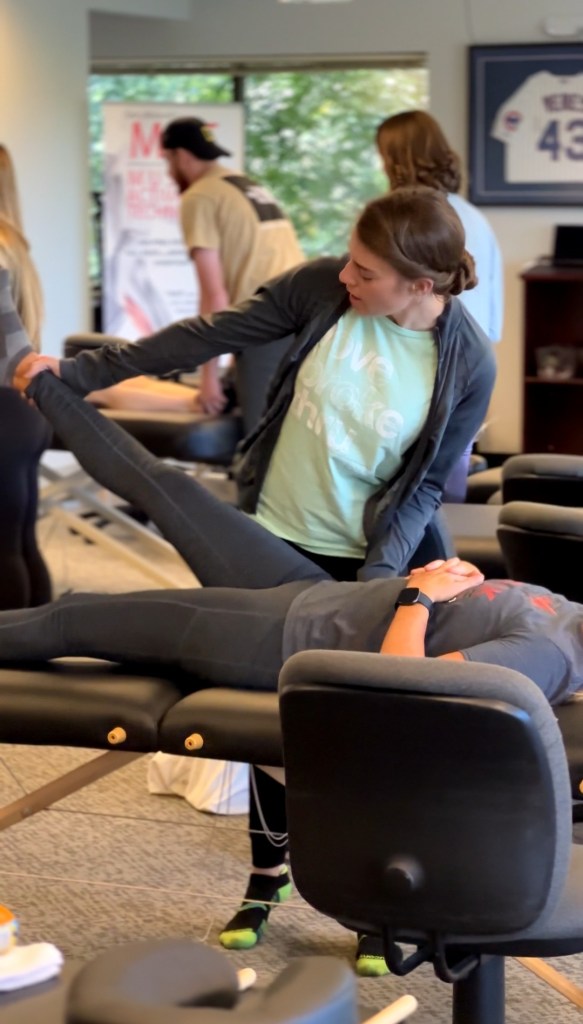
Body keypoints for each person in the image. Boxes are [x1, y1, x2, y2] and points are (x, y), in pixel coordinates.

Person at [6, 185, 497, 970]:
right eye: (349, 260)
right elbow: (211, 333)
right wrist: (81, 370)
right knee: (261, 706)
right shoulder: (323, 289)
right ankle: (267, 877)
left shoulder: (467, 361)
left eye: (366, 271)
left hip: (369, 563)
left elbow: (423, 490)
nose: (346, 276)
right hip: (270, 530)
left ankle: (371, 902)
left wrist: (373, 585)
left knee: (350, 734)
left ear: (420, 284)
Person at [376, 110, 504, 503]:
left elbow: (389, 303)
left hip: (418, 372)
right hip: (470, 369)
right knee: (442, 497)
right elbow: (492, 317)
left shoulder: (406, 218)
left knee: (407, 501)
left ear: (395, 158)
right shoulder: (473, 216)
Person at [160, 116, 304, 414]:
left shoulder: (200, 196)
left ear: (182, 156)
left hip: (267, 324)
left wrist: (208, 377)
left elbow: (214, 295)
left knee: (261, 430)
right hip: (303, 318)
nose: (168, 172)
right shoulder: (244, 185)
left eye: (167, 161)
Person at [0, 150, 52, 610]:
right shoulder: (13, 243)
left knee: (4, 551)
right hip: (23, 413)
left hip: (3, 414)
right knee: (20, 542)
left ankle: (14, 648)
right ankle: (40, 641)